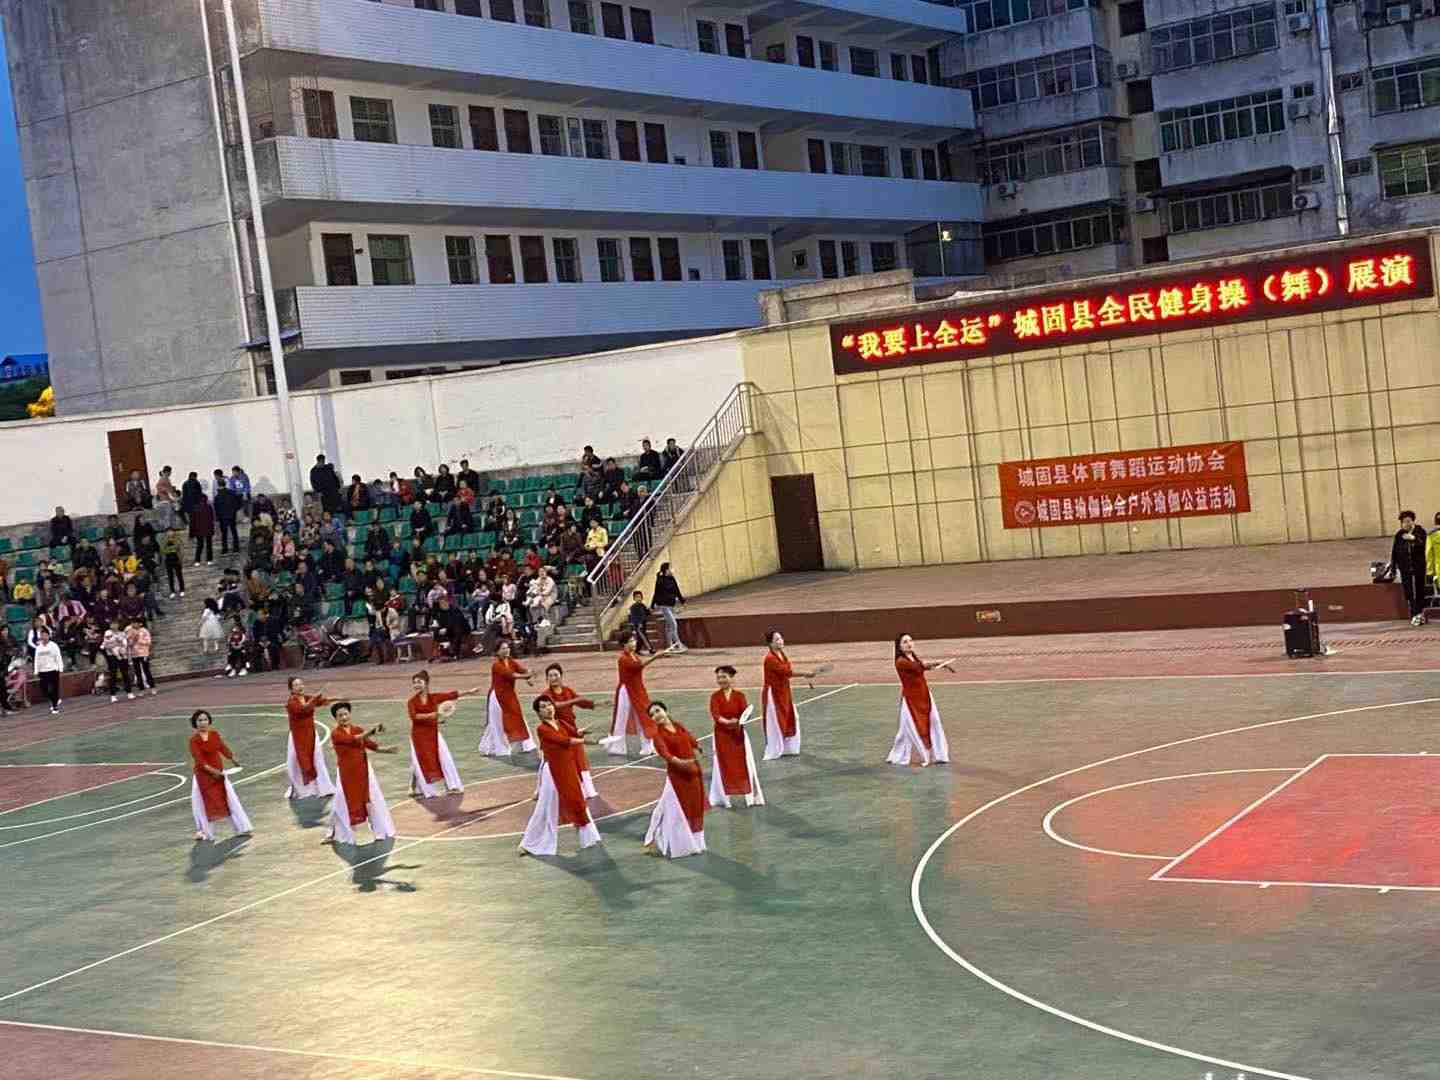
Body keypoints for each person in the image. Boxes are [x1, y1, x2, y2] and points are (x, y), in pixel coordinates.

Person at [518, 695, 603, 857]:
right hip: (552, 772)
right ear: (538, 712)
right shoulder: (542, 729)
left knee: (577, 801)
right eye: (543, 707)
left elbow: (573, 733)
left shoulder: (561, 723)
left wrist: (581, 733)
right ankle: (529, 844)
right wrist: (584, 741)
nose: (548, 708)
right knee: (545, 807)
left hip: (568, 768)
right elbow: (564, 740)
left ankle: (589, 838)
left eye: (549, 704)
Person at [324, 701, 398, 845]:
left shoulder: (357, 729)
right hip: (346, 774)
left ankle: (381, 832)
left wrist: (387, 750)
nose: (344, 717)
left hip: (364, 771)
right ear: (336, 718)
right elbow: (354, 739)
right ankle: (332, 833)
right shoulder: (336, 734)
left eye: (346, 714)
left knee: (373, 800)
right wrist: (372, 730)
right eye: (340, 715)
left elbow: (370, 745)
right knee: (340, 802)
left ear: (350, 714)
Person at [642, 700, 706, 858]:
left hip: (693, 773)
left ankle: (696, 842)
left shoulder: (678, 726)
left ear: (665, 710)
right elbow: (667, 755)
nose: (656, 715)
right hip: (677, 777)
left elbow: (691, 739)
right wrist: (683, 763)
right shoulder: (657, 736)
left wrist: (698, 747)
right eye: (652, 715)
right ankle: (666, 842)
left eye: (658, 711)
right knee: (676, 810)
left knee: (695, 808)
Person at [406, 670, 483, 797]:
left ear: (426, 683)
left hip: (433, 734)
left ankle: (452, 786)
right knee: (419, 762)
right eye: (414, 683)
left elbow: (451, 695)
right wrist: (434, 715)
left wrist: (469, 692)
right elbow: (414, 717)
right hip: (418, 736)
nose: (416, 685)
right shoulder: (411, 702)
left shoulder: (434, 697)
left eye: (419, 682)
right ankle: (414, 787)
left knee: (444, 758)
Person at [599, 630, 674, 756]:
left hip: (638, 690)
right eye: (630, 641)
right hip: (626, 691)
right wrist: (656, 656)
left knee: (644, 717)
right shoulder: (623, 659)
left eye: (634, 640)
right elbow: (637, 667)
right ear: (624, 644)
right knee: (621, 720)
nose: (634, 643)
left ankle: (648, 747)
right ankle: (616, 747)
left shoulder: (634, 656)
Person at [889, 633, 953, 768]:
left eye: (910, 640)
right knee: (910, 729)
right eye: (905, 642)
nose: (909, 644)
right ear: (899, 646)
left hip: (924, 696)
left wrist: (939, 664)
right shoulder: (901, 661)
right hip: (911, 700)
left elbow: (921, 666)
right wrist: (938, 664)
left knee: (933, 723)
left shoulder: (913, 657)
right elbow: (920, 667)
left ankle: (940, 755)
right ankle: (903, 756)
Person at [188, 710, 253, 842]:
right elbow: (200, 761)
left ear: (209, 721)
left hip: (219, 775)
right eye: (199, 720)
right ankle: (204, 832)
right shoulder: (193, 740)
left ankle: (241, 828)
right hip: (203, 777)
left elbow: (222, 748)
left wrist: (232, 759)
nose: (203, 723)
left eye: (205, 719)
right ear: (195, 723)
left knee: (229, 799)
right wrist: (213, 771)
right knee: (203, 804)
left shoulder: (214, 734)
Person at [761, 628, 823, 760]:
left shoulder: (782, 654)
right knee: (775, 721)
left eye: (781, 638)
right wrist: (805, 673)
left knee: (790, 718)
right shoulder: (770, 659)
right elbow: (787, 672)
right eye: (777, 639)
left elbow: (787, 672)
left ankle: (788, 748)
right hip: (774, 694)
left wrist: (805, 675)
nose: (781, 641)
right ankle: (774, 749)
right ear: (770, 643)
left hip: (784, 691)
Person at [543, 662, 602, 798]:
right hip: (556, 734)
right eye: (550, 676)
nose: (553, 678)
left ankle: (587, 790)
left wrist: (596, 704)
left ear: (561, 676)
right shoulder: (546, 695)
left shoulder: (568, 691)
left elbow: (581, 702)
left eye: (556, 675)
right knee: (552, 764)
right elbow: (556, 705)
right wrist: (573, 701)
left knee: (581, 762)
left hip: (572, 730)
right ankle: (544, 790)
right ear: (547, 679)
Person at [709, 665, 764, 809]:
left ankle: (751, 797)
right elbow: (716, 715)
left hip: (738, 735)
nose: (721, 680)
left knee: (744, 764)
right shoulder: (715, 697)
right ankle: (722, 798)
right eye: (718, 677)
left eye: (724, 677)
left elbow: (745, 714)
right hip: (721, 737)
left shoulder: (740, 696)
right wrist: (728, 722)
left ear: (731, 678)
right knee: (722, 765)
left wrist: (739, 721)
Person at [479, 640, 537, 757]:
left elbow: (522, 670)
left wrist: (528, 675)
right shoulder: (496, 665)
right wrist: (527, 676)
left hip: (509, 695)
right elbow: (512, 675)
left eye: (507, 648)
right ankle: (498, 748)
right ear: (497, 652)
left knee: (519, 717)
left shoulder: (511, 661)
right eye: (503, 648)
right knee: (497, 723)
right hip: (497, 697)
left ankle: (526, 744)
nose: (506, 650)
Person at [284, 676, 337, 799]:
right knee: (296, 763)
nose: (300, 687)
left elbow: (321, 701)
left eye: (301, 684)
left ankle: (323, 787)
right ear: (291, 689)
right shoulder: (291, 702)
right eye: (296, 685)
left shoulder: (306, 698)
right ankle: (301, 789)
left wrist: (336, 699)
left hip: (311, 734)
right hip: (297, 737)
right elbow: (303, 709)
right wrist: (314, 699)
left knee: (317, 759)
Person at [1392, 510, 1429, 626]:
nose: (1406, 524)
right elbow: (1395, 551)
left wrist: (1413, 539)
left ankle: (1419, 613)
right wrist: (1393, 567)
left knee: (1419, 590)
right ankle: (1414, 614)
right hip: (1405, 568)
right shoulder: (1399, 535)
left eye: (1408, 521)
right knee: (1408, 592)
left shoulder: (1420, 532)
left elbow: (1424, 545)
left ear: (1413, 521)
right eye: (1404, 522)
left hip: (1418, 567)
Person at [652, 562, 685, 651]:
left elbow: (677, 590)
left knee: (668, 626)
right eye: (671, 568)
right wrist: (652, 605)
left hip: (671, 605)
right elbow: (656, 592)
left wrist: (682, 601)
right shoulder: (660, 580)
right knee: (673, 624)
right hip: (663, 605)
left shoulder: (672, 579)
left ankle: (669, 645)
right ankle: (678, 644)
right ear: (666, 570)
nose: (672, 570)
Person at [102, 618, 134, 703]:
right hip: (112, 656)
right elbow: (107, 645)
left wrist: (121, 646)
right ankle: (113, 695)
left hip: (122, 654)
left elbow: (125, 644)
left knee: (125, 673)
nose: (114, 625)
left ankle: (129, 692)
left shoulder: (122, 633)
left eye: (116, 624)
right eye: (112, 624)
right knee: (113, 674)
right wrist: (116, 644)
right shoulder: (108, 633)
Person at [32, 625, 63, 714]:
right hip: (43, 671)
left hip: (53, 669)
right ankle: (54, 700)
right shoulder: (39, 647)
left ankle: (55, 706)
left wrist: (60, 668)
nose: (44, 637)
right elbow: (36, 659)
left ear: (49, 636)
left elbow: (58, 657)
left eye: (45, 635)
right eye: (42, 635)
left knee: (54, 688)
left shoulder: (54, 645)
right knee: (44, 689)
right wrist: (36, 670)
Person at [127, 619, 156, 697]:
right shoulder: (130, 631)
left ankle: (152, 687)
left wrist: (139, 640)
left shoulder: (144, 631)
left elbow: (148, 641)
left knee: (147, 671)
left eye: (135, 623)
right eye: (132, 623)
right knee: (138, 672)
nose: (133, 625)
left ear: (140, 624)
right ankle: (141, 689)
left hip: (144, 653)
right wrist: (133, 640)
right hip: (134, 655)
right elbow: (129, 644)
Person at [214, 481, 241, 556]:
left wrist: (217, 518)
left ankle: (225, 550)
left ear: (218, 485)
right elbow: (238, 502)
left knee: (224, 534)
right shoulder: (232, 493)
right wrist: (234, 510)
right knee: (234, 532)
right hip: (232, 515)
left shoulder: (217, 496)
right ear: (225, 484)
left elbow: (216, 509)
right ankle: (236, 549)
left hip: (222, 517)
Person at [189, 493, 215, 566]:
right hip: (208, 529)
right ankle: (209, 560)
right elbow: (212, 519)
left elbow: (192, 521)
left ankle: (197, 560)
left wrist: (191, 533)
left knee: (200, 545)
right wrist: (212, 529)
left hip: (198, 530)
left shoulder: (195, 508)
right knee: (209, 545)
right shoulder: (209, 507)